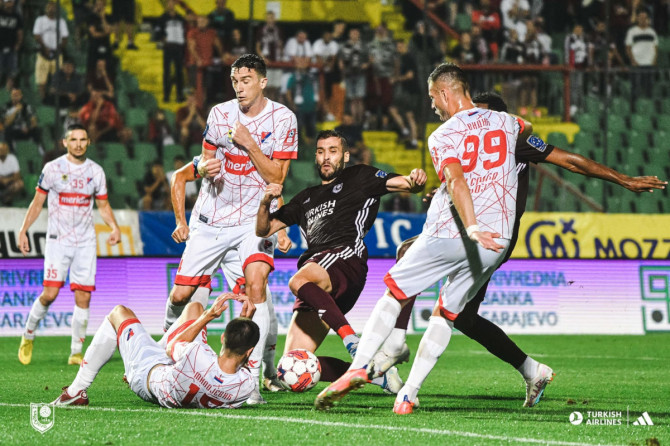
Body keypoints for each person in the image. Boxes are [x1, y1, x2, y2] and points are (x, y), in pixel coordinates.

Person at [361, 91, 668, 410]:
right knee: (462, 316)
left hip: (494, 235)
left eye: (481, 113)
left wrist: (623, 179)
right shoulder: (472, 139)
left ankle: (397, 347)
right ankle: (532, 370)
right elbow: (465, 180)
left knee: (417, 265)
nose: (473, 121)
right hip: (470, 231)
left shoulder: (512, 138)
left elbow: (569, 160)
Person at [315, 63, 522, 413]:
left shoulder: (442, 135)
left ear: (444, 93)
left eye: (432, 98)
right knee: (446, 314)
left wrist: (471, 226)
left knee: (395, 292)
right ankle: (409, 394)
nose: (432, 106)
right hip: (497, 240)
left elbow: (455, 180)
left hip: (453, 231)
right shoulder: (509, 123)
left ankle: (357, 368)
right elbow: (539, 141)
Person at [164, 54, 298, 404]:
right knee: (180, 296)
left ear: (263, 82)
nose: (239, 87)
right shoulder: (219, 114)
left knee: (257, 290)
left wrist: (249, 143)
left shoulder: (283, 119)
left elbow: (277, 178)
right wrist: (203, 168)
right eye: (235, 81)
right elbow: (205, 161)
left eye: (246, 80)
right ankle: (166, 340)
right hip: (212, 216)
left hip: (254, 220)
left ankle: (251, 382)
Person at [255, 129, 427, 390]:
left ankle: (352, 341)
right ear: (316, 157)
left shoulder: (360, 176)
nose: (326, 157)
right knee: (290, 366)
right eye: (321, 152)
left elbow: (407, 184)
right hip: (317, 280)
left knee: (297, 281)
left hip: (345, 257)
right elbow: (264, 229)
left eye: (333, 151)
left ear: (345, 156)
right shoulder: (305, 198)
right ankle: (377, 374)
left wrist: (416, 179)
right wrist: (264, 203)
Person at [17, 124, 121, 366]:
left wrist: (114, 227)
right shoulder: (52, 169)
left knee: (83, 297)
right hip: (58, 241)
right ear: (65, 142)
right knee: (49, 294)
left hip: (85, 242)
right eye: (73, 139)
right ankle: (28, 334)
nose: (78, 144)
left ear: (89, 142)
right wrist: (23, 230)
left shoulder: (96, 171)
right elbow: (37, 202)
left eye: (83, 139)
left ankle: (75, 352)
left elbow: (103, 205)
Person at [52, 293, 259, 408]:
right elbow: (235, 366)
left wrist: (207, 317)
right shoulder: (246, 385)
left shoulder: (195, 353)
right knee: (194, 308)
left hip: (146, 372)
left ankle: (76, 391)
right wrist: (246, 323)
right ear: (249, 351)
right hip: (179, 371)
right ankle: (146, 348)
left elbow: (171, 348)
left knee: (119, 312)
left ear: (223, 338)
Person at [33, 1, 69, 99]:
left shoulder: (61, 22)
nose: (51, 9)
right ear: (45, 8)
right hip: (42, 53)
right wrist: (45, 48)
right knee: (41, 81)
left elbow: (65, 38)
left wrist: (58, 49)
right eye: (49, 7)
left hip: (57, 54)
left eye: (53, 7)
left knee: (57, 80)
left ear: (57, 9)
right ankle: (42, 99)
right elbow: (36, 35)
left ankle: (54, 100)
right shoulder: (40, 20)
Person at [156, 0, 186, 103]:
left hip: (179, 48)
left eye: (173, 2)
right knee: (167, 72)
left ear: (175, 4)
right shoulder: (162, 18)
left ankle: (180, 95)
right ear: (167, 4)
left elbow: (184, 32)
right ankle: (166, 95)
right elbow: (158, 32)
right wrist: (162, 38)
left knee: (179, 72)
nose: (171, 4)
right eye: (169, 2)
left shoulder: (180, 18)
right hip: (168, 48)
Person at [625, 9, 658, 98]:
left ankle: (648, 103)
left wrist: (654, 60)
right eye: (641, 17)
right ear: (637, 18)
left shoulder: (652, 32)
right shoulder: (632, 31)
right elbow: (628, 48)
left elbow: (655, 47)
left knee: (649, 87)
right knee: (635, 87)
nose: (643, 19)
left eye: (645, 17)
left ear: (647, 19)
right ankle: (634, 105)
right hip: (636, 63)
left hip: (649, 63)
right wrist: (632, 60)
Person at [0, 0, 23, 90]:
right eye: (7, 2)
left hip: (11, 48)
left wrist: (18, 44)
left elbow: (20, 32)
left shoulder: (16, 16)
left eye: (10, 2)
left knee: (12, 73)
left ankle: (8, 91)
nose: (8, 4)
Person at [0, 140, 24, 205]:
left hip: (11, 180)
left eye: (4, 150)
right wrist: (2, 180)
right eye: (1, 149)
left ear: (7, 151)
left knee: (19, 184)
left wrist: (7, 180)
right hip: (1, 180)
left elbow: (17, 175)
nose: (2, 151)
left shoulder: (12, 158)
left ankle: (4, 196)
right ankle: (5, 197)